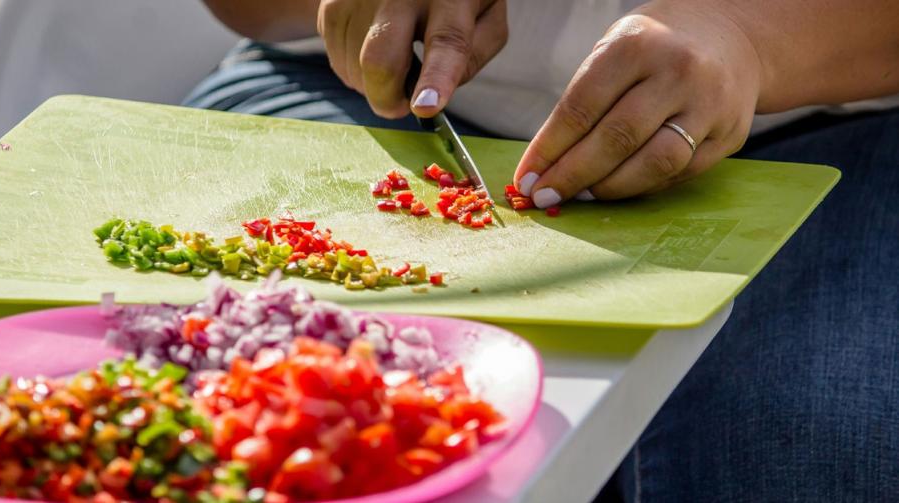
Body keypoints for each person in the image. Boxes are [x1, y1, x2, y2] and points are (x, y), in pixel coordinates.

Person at [186, 1, 899, 500]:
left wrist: (748, 33)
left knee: (812, 437)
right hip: (357, 94)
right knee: (281, 401)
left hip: (823, 123)